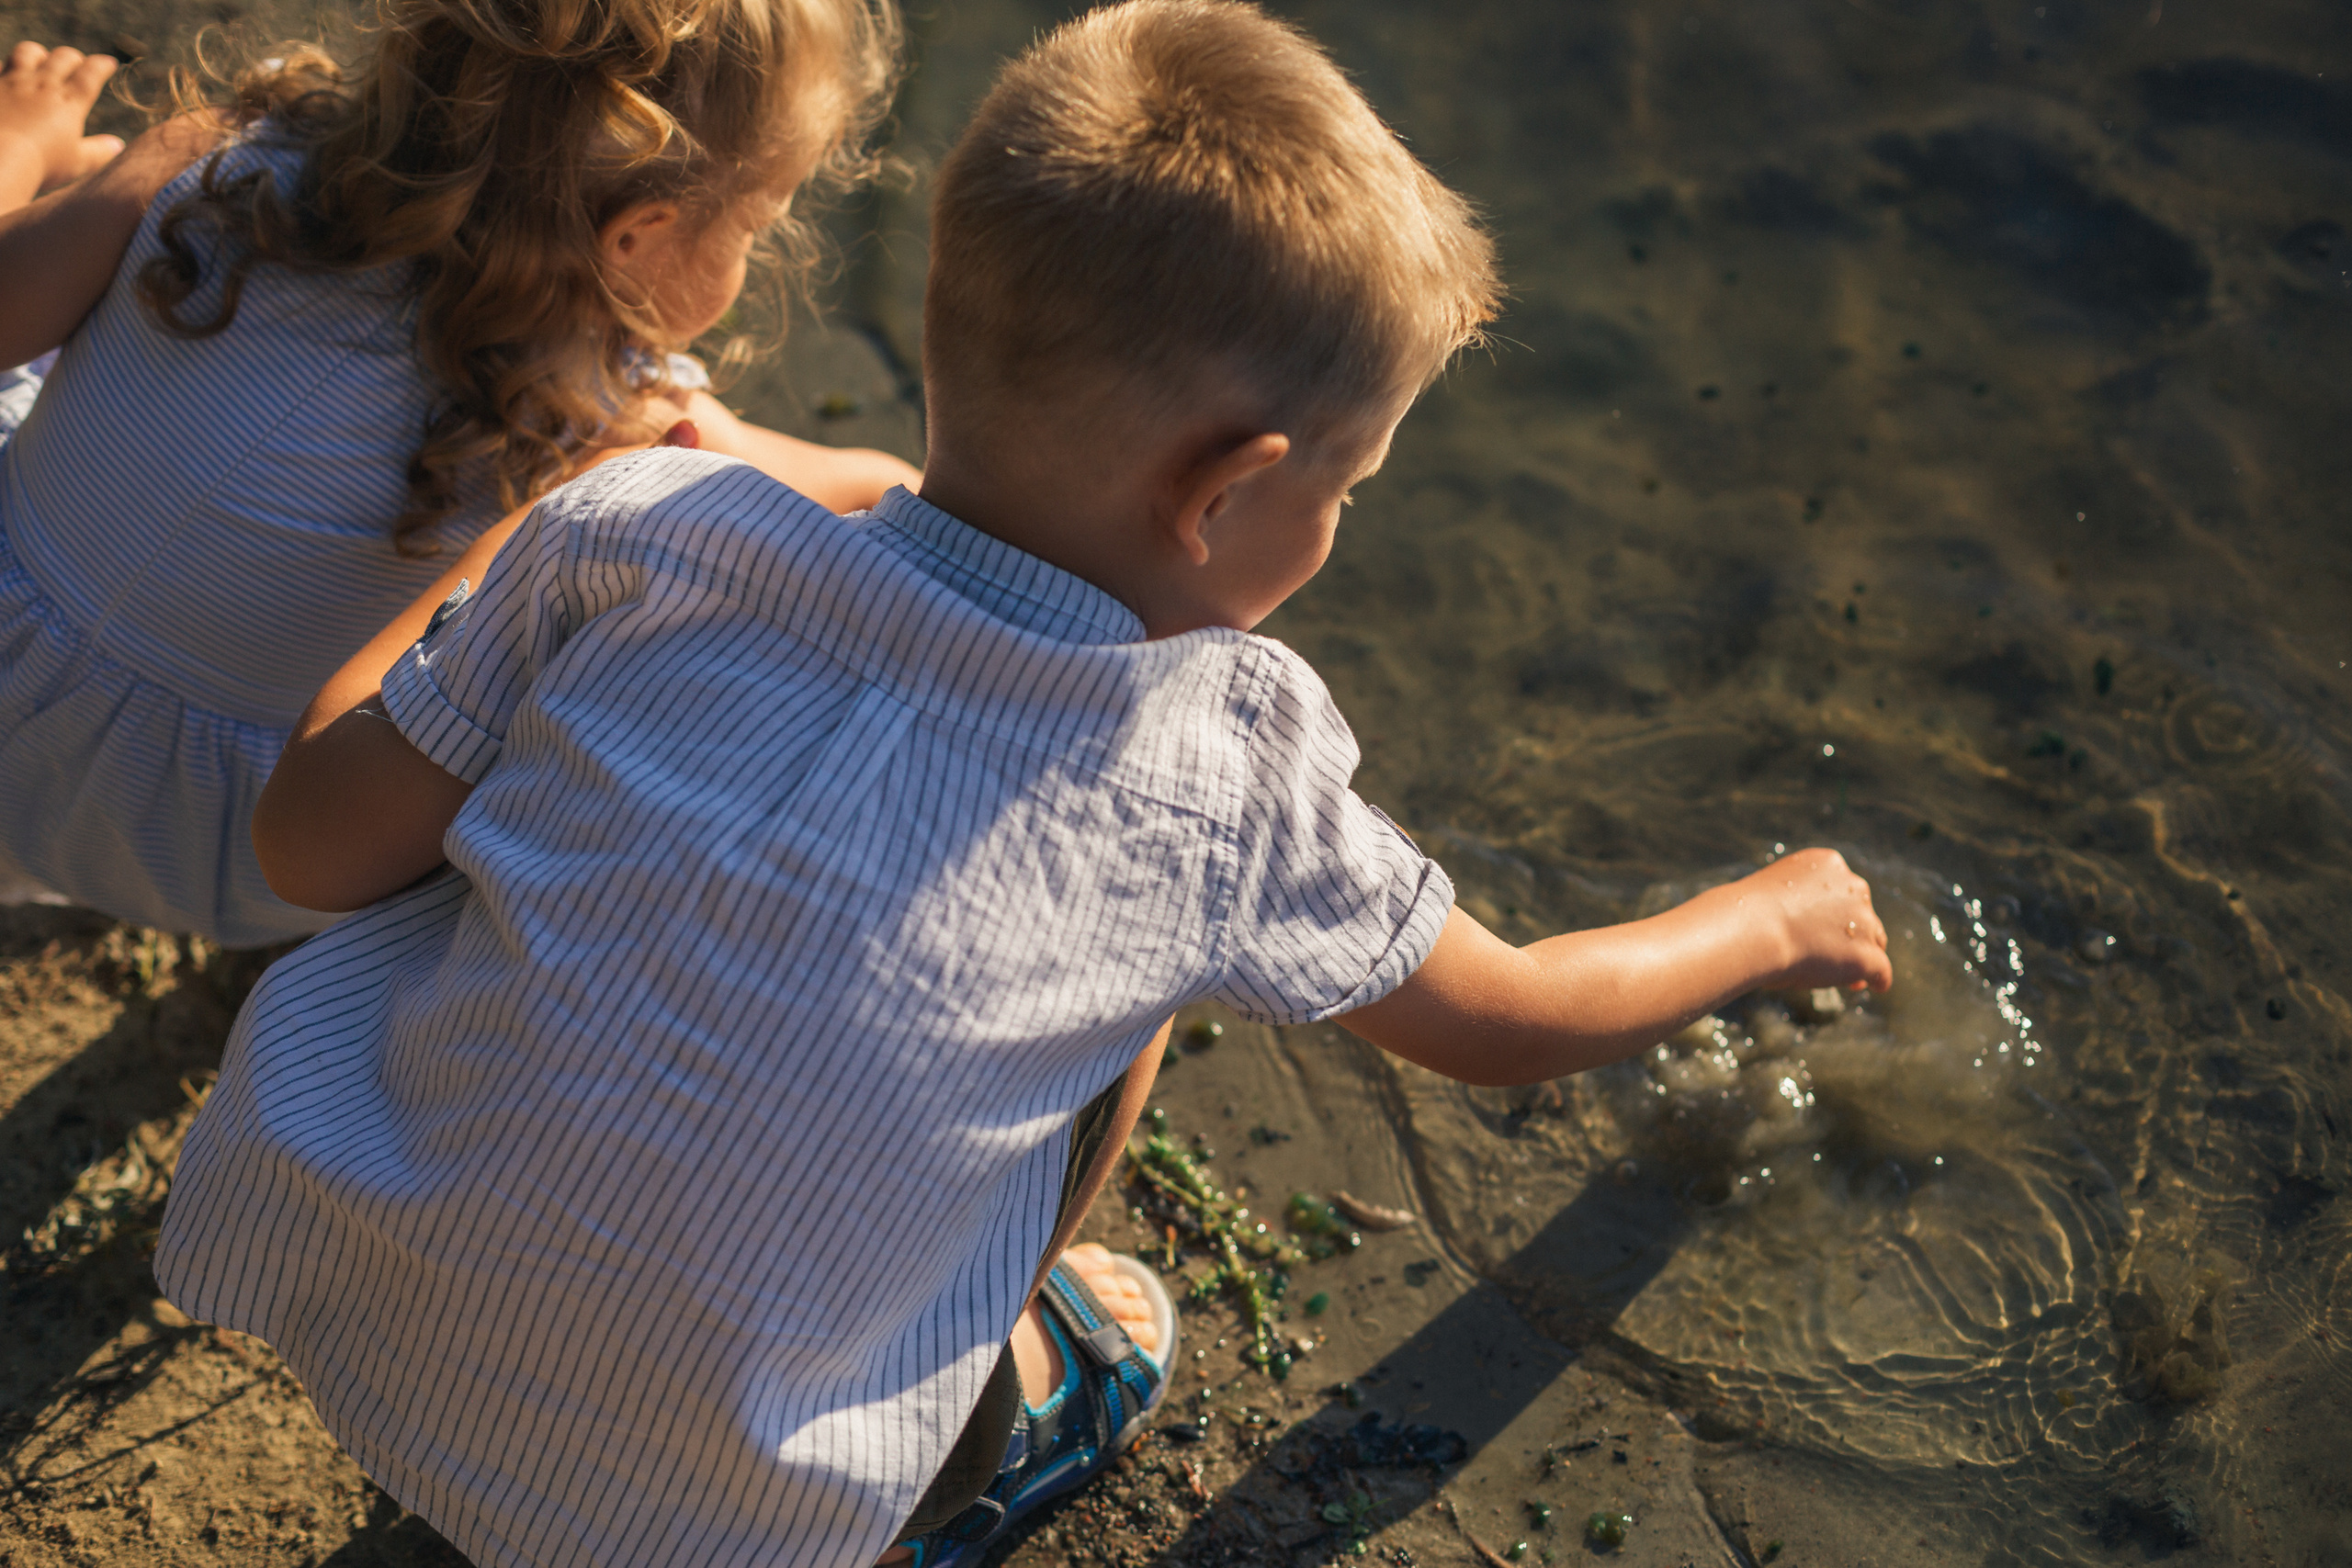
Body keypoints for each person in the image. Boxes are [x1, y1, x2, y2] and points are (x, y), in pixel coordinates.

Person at [154, 3, 1896, 1565]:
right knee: (1121, 979)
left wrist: (493, 572)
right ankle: (970, 1442)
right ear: (1229, 490)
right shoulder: (1219, 776)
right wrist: (1765, 919)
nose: (1342, 526)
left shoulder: (640, 536)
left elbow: (311, 847)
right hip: (711, 1513)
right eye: (1348, 487)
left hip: (347, 1276)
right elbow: (1508, 1014)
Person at [0, 6, 915, 946]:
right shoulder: (608, 420)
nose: (759, 249)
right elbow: (846, 490)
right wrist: (915, 480)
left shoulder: (210, 165)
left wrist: (20, 144)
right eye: (759, 224)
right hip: (221, 853)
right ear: (636, 234)